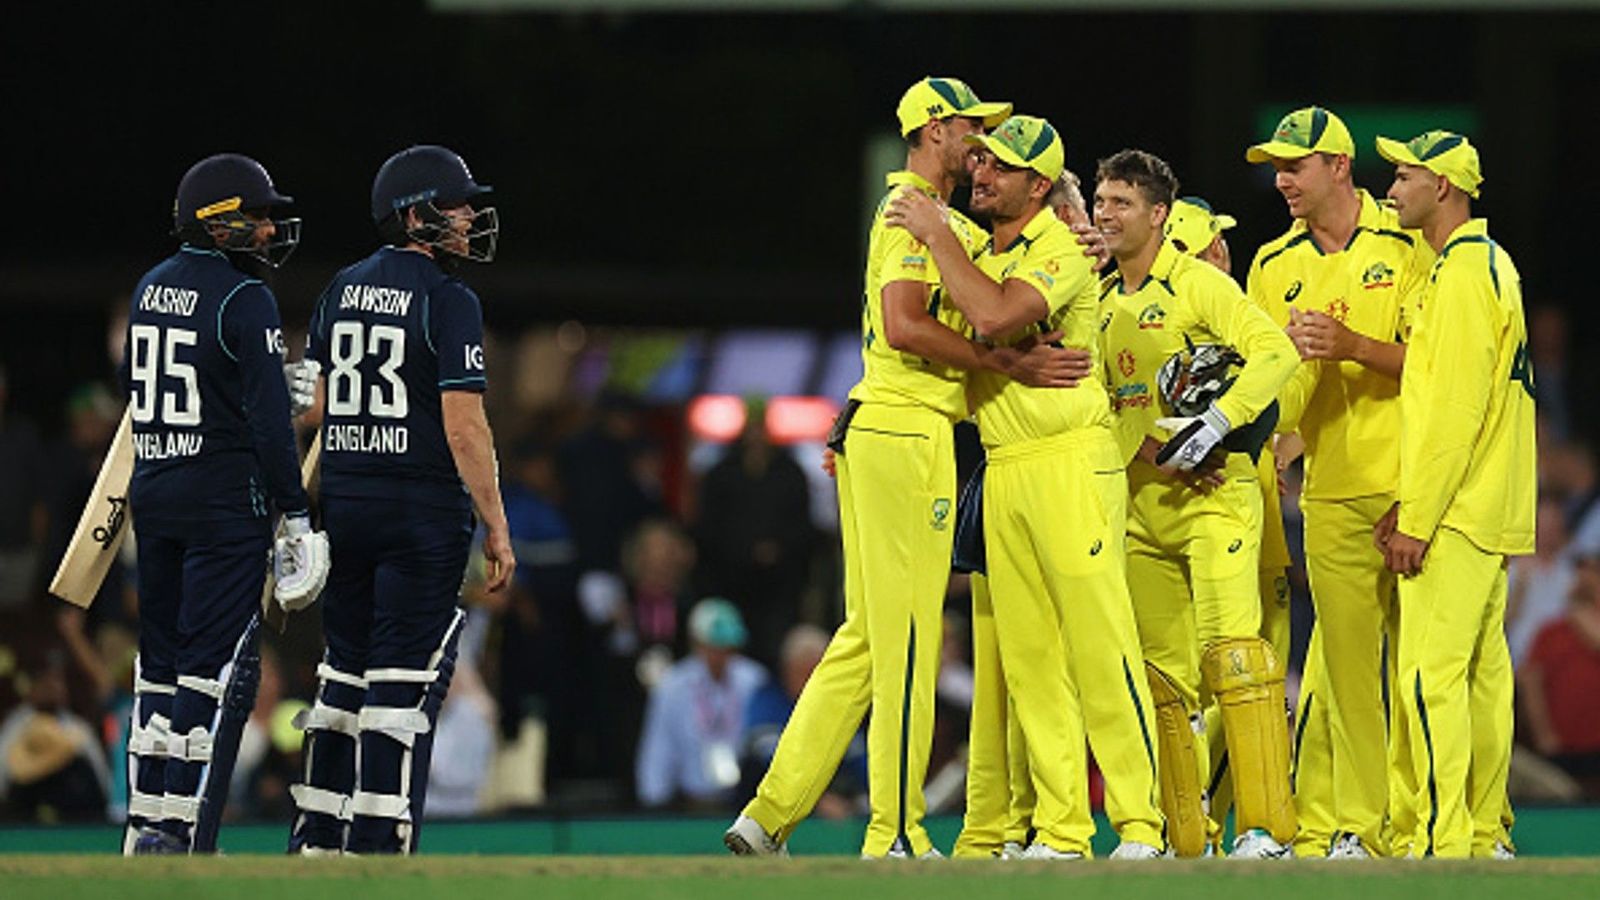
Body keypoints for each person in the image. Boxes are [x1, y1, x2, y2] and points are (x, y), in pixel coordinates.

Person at [724, 77, 1088, 860]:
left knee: (867, 637)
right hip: (906, 431)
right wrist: (1004, 362)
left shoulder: (936, 218)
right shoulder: (913, 211)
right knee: (914, 641)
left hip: (887, 428)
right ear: (934, 128)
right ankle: (893, 832)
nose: (979, 142)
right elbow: (903, 324)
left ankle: (768, 814)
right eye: (970, 127)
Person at [888, 119, 1168, 861]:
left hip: (1072, 461)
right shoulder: (983, 248)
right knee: (1033, 663)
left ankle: (1143, 825)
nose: (980, 174)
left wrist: (937, 231)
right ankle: (1064, 830)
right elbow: (927, 327)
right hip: (1005, 462)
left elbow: (992, 315)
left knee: (1100, 648)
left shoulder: (1059, 248)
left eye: (1000, 167)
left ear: (1038, 186)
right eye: (977, 161)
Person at [286, 145, 515, 856]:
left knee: (342, 673)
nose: (471, 216)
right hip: (419, 508)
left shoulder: (342, 287)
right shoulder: (450, 299)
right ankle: (378, 846)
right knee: (400, 681)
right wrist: (497, 525)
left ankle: (317, 836)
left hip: (347, 502)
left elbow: (316, 406)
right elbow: (463, 425)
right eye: (457, 205)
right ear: (415, 215)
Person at [1095, 150, 1299, 858]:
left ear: (1157, 215)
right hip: (1138, 506)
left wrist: (1219, 423)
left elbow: (1275, 353)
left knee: (1235, 658)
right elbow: (1101, 404)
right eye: (1101, 199)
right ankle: (1183, 842)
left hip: (1218, 498)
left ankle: (1266, 830)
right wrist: (1154, 446)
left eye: (1122, 202)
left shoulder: (1198, 286)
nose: (1105, 212)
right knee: (1162, 680)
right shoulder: (1097, 299)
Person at [118, 154, 324, 854]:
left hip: (156, 492)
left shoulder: (148, 287)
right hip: (221, 501)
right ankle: (178, 832)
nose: (268, 231)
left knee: (159, 667)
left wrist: (256, 383)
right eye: (257, 217)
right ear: (220, 221)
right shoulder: (246, 299)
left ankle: (143, 822)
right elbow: (269, 428)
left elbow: (136, 393)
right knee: (211, 670)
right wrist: (296, 511)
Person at [1244, 106, 1435, 858]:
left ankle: (1445, 822)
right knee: (1352, 675)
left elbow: (1439, 365)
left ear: (1340, 167)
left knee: (1423, 672)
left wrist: (1353, 345)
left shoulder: (1409, 241)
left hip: (1412, 485)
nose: (1282, 179)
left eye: (1295, 165)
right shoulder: (1272, 264)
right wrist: (1278, 435)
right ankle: (1368, 827)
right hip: (1328, 491)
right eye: (1276, 168)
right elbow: (1276, 384)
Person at [1377, 130, 1533, 858]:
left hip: (1458, 509)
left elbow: (1454, 413)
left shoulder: (1467, 274)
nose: (1393, 188)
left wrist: (1418, 515)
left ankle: (1441, 842)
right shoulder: (1482, 265)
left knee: (1427, 678)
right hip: (1485, 502)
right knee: (1478, 677)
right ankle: (1480, 831)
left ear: (1442, 186)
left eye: (1405, 175)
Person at [1165, 195, 1295, 829]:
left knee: (1226, 669)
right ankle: (1221, 820)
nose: (1224, 250)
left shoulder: (1226, 315)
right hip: (1224, 501)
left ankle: (1193, 821)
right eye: (1212, 242)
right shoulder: (1206, 328)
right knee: (1238, 664)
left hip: (1238, 501)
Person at [637, 598, 768, 809]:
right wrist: (654, 798)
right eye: (712, 647)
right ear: (696, 643)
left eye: (726, 647)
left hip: (746, 801)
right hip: (691, 801)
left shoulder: (753, 680)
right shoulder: (673, 685)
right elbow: (659, 744)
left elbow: (763, 739)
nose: (719, 655)